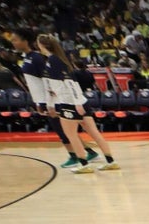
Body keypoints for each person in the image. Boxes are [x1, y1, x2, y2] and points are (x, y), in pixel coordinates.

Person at [10, 29, 96, 168]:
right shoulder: (27, 58)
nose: (13, 42)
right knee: (64, 129)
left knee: (62, 130)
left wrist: (49, 102)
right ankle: (89, 151)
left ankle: (74, 155)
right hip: (43, 99)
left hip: (52, 100)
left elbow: (48, 82)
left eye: (15, 40)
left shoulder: (37, 58)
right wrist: (38, 101)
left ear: (25, 41)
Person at [36, 35, 118, 173]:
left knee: (71, 135)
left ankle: (84, 164)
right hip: (80, 101)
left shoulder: (53, 60)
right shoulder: (58, 59)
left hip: (70, 103)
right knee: (94, 133)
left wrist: (75, 103)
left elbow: (70, 83)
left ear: (42, 45)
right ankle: (111, 161)